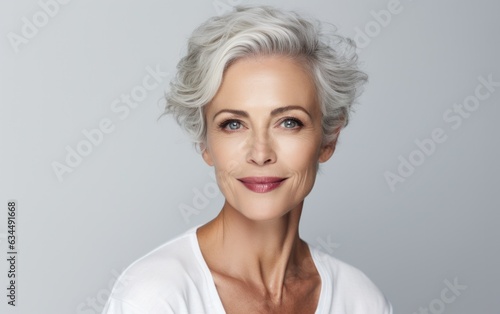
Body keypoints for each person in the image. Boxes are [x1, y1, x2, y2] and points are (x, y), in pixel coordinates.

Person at [103, 5, 393, 314]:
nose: (260, 153)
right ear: (205, 143)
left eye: (289, 122)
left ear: (328, 138)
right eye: (233, 124)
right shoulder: (155, 297)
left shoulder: (360, 300)